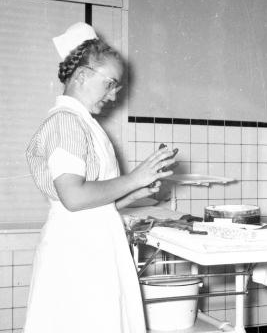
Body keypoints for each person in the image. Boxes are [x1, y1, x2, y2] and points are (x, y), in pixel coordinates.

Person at [24, 22, 176, 333]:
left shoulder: (82, 122)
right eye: (110, 84)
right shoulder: (65, 122)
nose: (114, 95)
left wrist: (136, 190)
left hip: (92, 246)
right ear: (81, 76)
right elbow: (74, 197)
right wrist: (134, 178)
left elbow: (97, 201)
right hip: (77, 253)